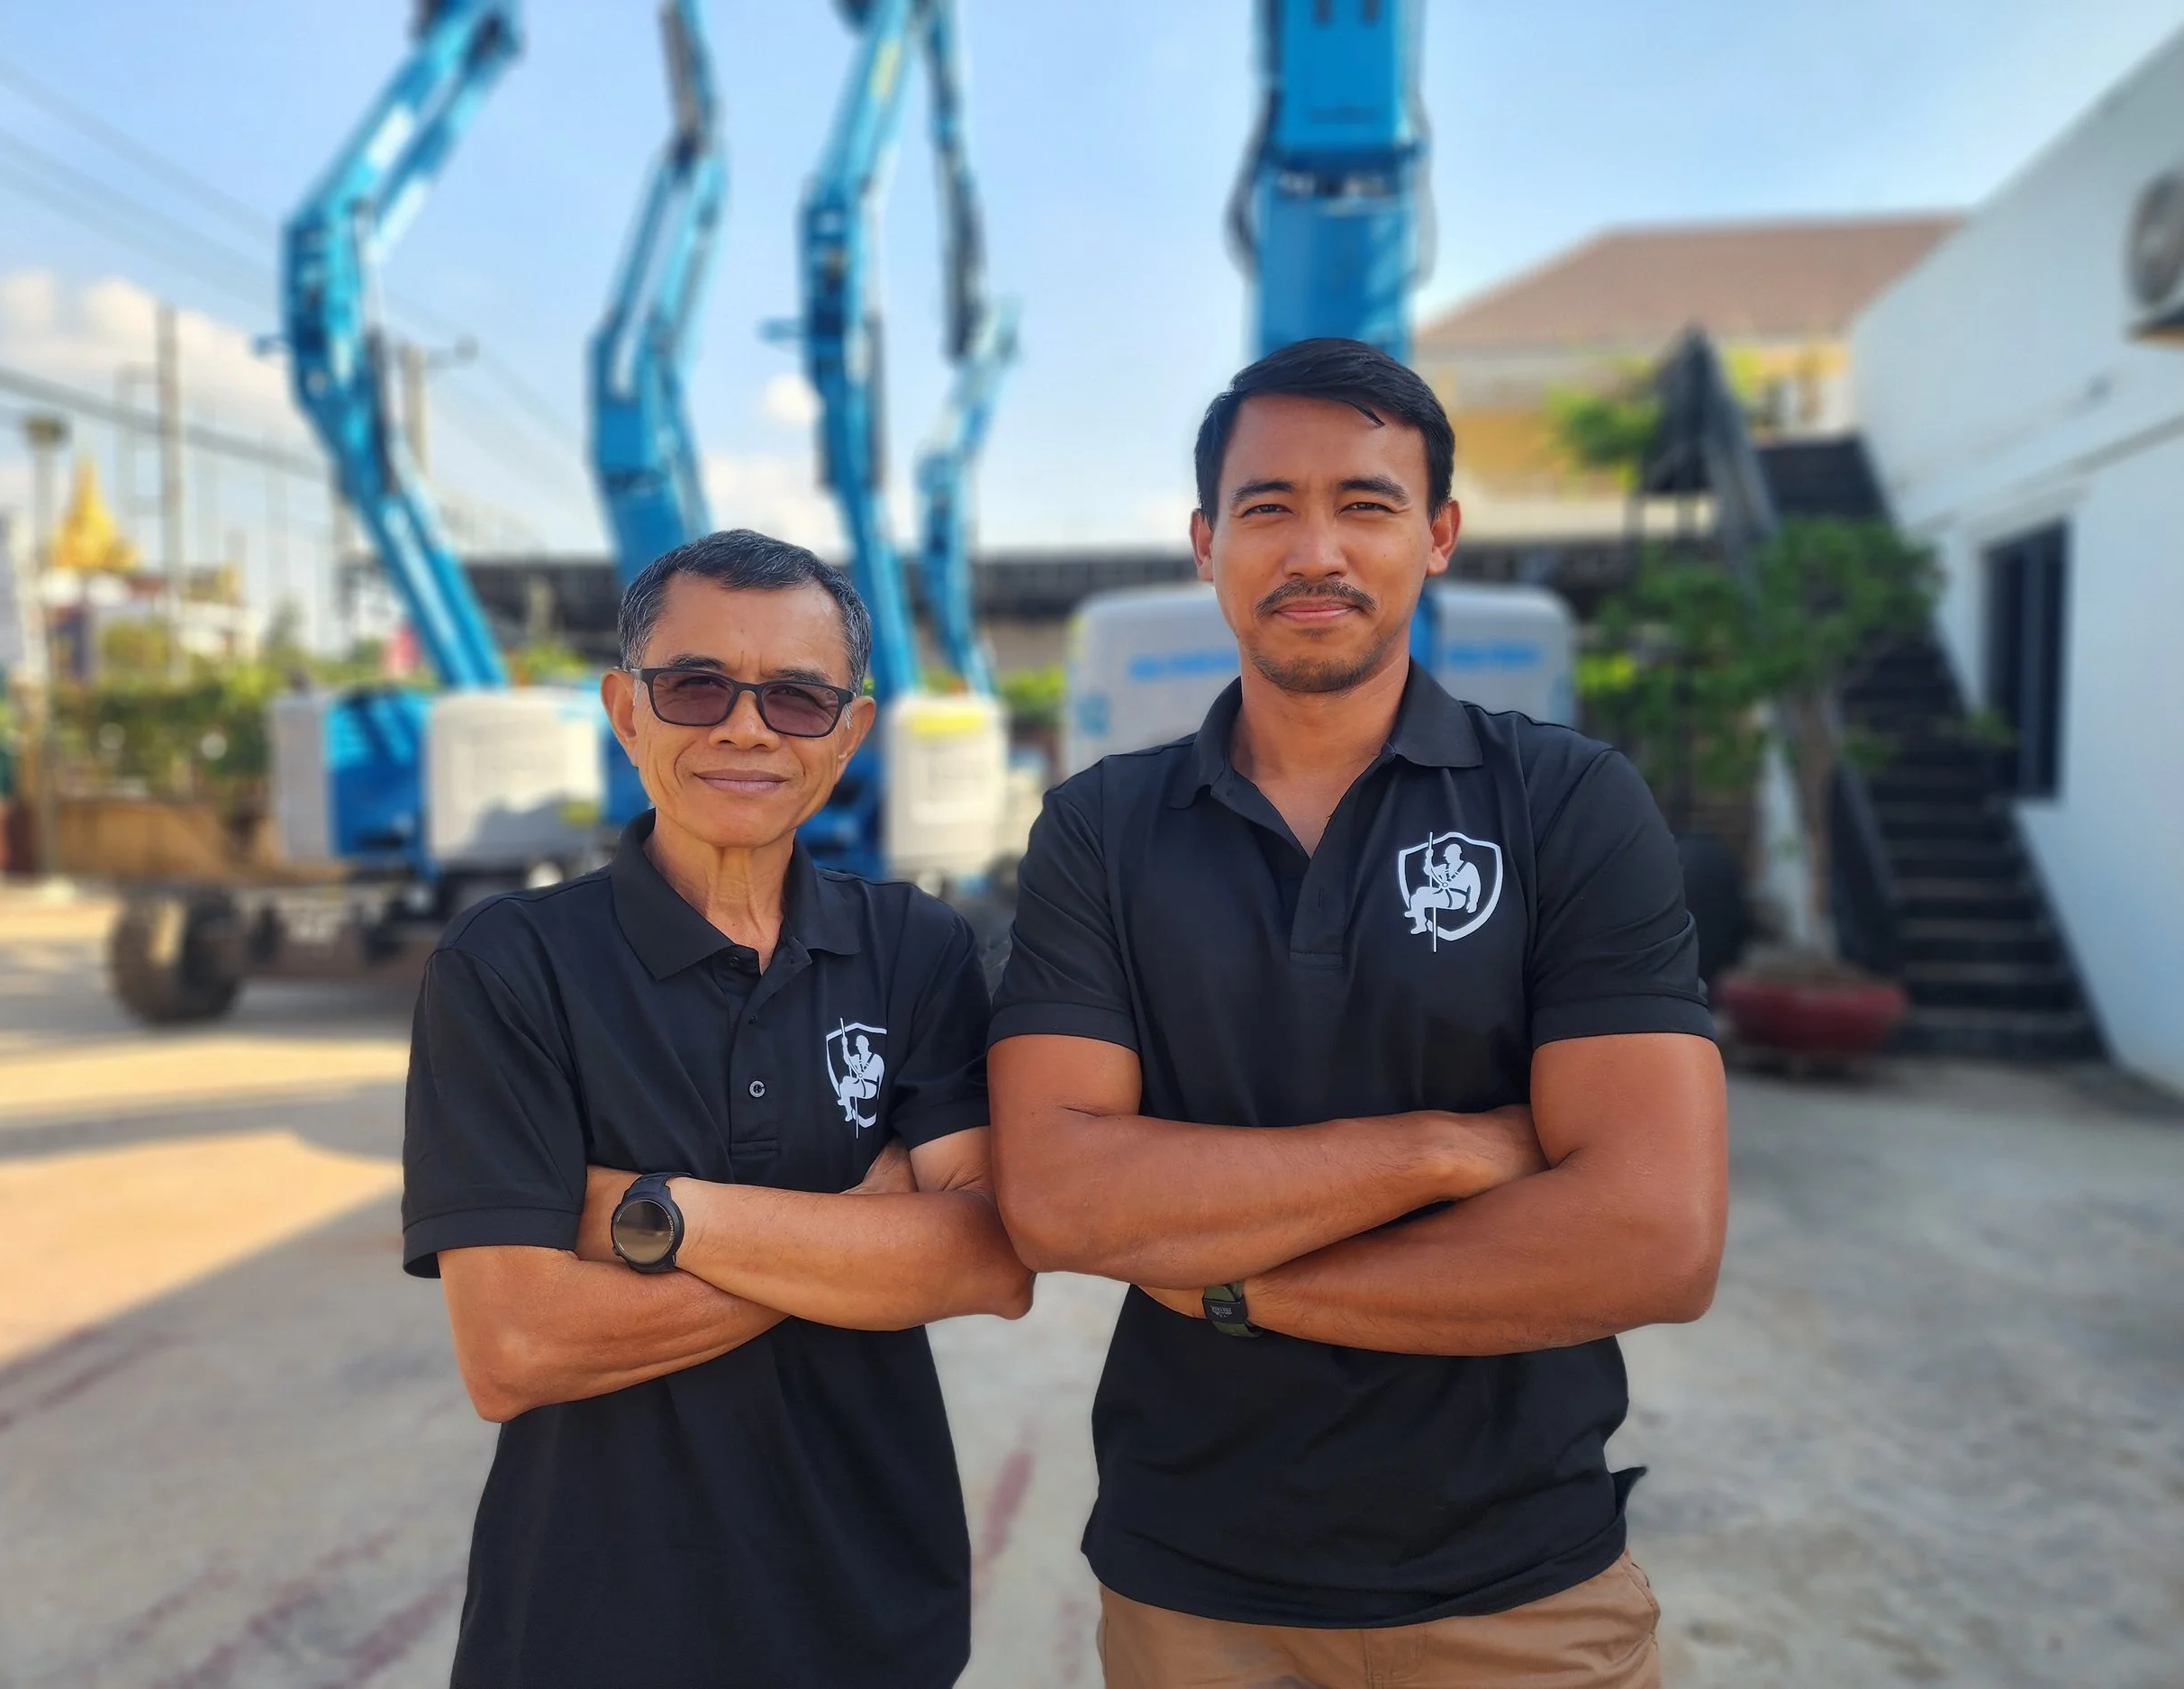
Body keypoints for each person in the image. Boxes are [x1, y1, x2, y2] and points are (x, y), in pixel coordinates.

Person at [989, 339, 1727, 1688]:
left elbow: (1655, 1234)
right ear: (1207, 541)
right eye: (1267, 507)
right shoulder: (1100, 830)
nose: (1313, 548)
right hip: (1193, 1591)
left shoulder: (1566, 804)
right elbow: (1055, 1192)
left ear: (1438, 535)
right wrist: (1438, 1151)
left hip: (1523, 1589)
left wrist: (1233, 1283)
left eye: (1368, 504)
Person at [403, 529, 1032, 1689]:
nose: (745, 727)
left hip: (874, 1613)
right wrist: (858, 1226)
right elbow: (517, 1345)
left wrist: (652, 1213)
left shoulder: (917, 949)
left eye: (796, 697)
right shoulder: (508, 968)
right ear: (624, 709)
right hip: (591, 1630)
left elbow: (991, 1260)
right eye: (697, 686)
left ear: (849, 730)